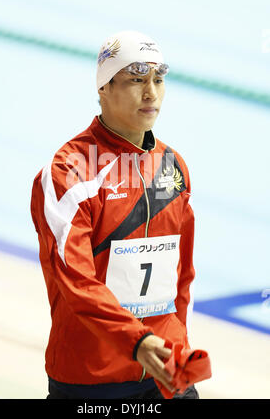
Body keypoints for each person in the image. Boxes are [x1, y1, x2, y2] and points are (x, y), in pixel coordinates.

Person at [30, 30, 198, 400]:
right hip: (93, 378)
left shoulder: (172, 167)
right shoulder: (70, 171)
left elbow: (180, 276)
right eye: (136, 80)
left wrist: (177, 343)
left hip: (165, 365)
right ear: (104, 87)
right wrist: (137, 340)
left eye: (158, 79)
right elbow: (75, 280)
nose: (151, 92)